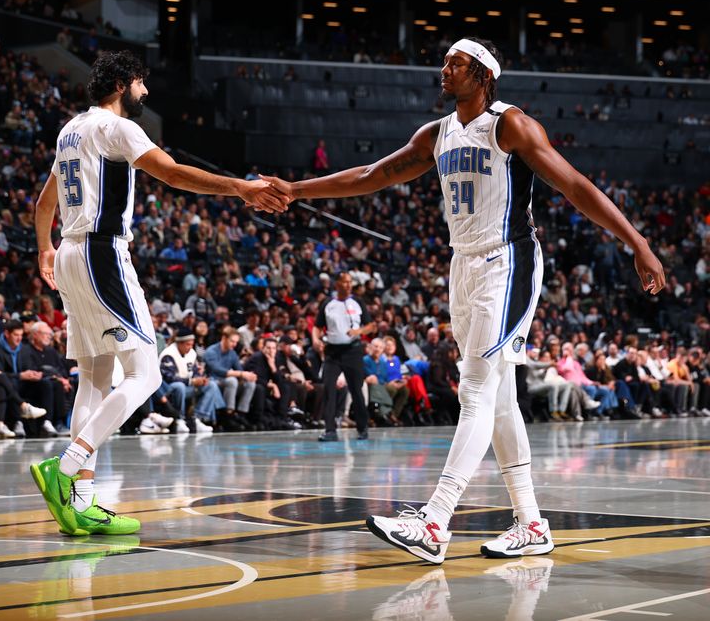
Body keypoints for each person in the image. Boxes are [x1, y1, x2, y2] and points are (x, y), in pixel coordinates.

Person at [263, 36, 665, 563]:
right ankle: (532, 524)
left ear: (484, 75)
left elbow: (575, 185)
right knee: (497, 399)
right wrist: (296, 189)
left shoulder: (510, 124)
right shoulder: (437, 134)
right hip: (463, 265)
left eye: (456, 63)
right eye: (445, 62)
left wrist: (638, 242)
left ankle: (435, 522)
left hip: (509, 259)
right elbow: (370, 176)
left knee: (475, 388)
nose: (444, 69)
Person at [32, 50, 288, 537]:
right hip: (101, 252)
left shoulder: (71, 130)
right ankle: (64, 469)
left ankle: (81, 503)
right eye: (142, 84)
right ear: (125, 83)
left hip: (69, 250)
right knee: (145, 374)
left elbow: (46, 200)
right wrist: (240, 188)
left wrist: (45, 250)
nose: (145, 93)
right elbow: (171, 173)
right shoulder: (117, 128)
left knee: (95, 377)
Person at [312, 272, 376, 441]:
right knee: (328, 389)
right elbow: (317, 326)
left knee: (356, 390)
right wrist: (315, 339)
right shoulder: (328, 303)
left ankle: (362, 428)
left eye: (350, 282)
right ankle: (330, 430)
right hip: (332, 351)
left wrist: (358, 331)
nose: (348, 285)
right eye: (345, 282)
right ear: (337, 284)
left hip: (353, 351)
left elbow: (371, 326)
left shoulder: (358, 302)